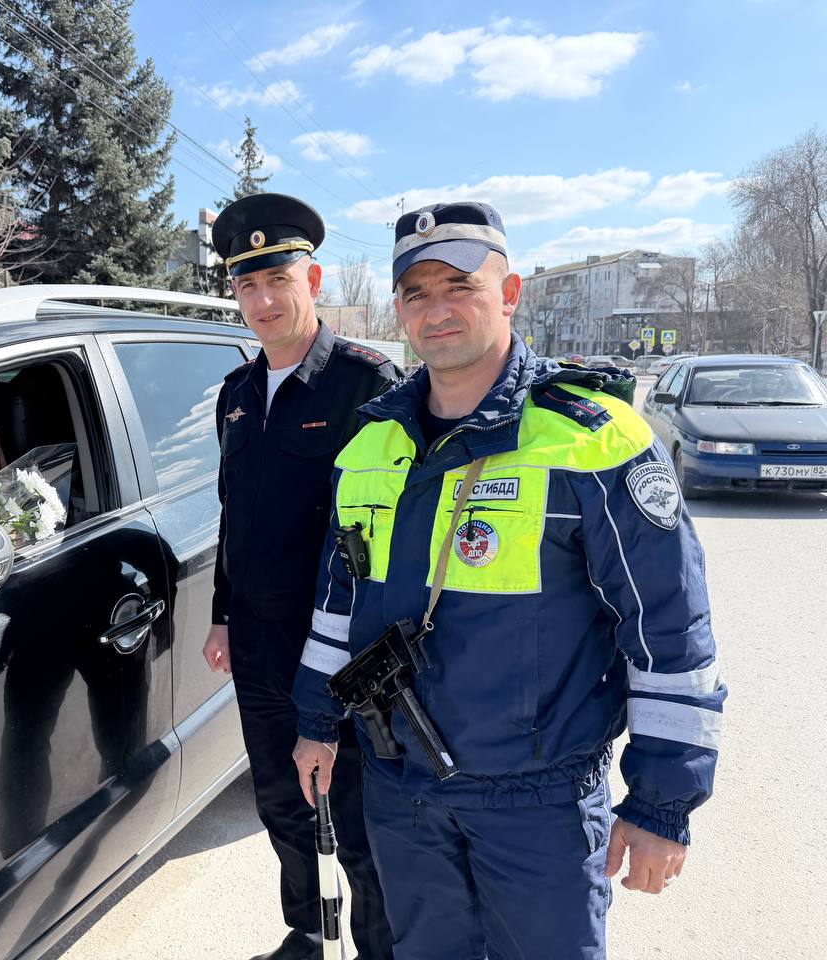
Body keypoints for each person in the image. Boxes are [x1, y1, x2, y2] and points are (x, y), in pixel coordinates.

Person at [291, 201, 726, 959]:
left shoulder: (591, 438)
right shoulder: (370, 445)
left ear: (511, 292)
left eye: (460, 285)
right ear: (398, 310)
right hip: (403, 794)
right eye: (417, 294)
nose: (437, 310)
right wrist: (315, 722)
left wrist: (660, 803)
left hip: (540, 807)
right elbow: (339, 604)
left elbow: (667, 629)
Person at [205, 192, 398, 960]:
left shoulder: (365, 384)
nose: (262, 300)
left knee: (354, 819)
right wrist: (222, 613)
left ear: (310, 278)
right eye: (246, 286)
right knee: (282, 804)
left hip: (341, 652)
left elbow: (389, 532)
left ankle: (378, 947)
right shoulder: (238, 394)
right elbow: (233, 517)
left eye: (276, 279)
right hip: (257, 644)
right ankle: (308, 937)